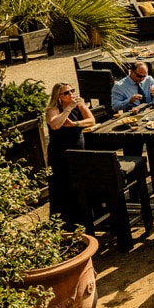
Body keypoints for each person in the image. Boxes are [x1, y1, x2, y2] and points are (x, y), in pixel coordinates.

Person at [46, 82, 96, 230]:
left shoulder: (79, 105)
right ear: (59, 97)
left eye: (72, 90)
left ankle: (83, 219)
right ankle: (64, 224)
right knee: (62, 187)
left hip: (78, 151)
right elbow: (55, 125)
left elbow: (91, 120)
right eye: (67, 93)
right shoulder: (53, 109)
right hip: (60, 154)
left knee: (79, 185)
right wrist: (68, 109)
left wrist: (75, 124)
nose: (71, 94)